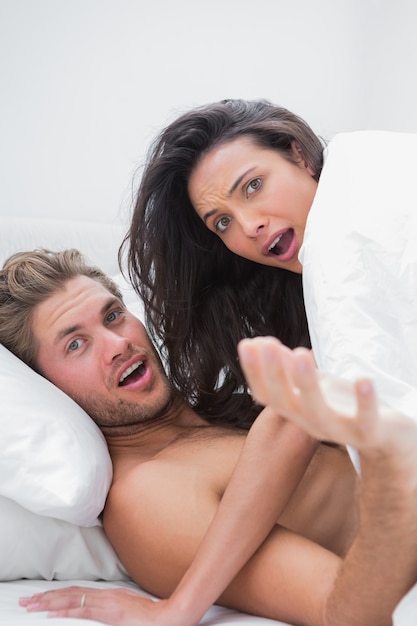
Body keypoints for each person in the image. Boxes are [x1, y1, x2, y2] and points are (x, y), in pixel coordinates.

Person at [1, 250, 416, 626]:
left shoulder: (224, 402)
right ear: (45, 388)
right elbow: (346, 613)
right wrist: (394, 487)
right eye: (76, 344)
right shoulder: (146, 497)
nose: (118, 344)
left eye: (112, 316)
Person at [120, 98, 417, 432]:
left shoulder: (345, 244)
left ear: (300, 156)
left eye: (253, 186)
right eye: (221, 223)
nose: (248, 227)